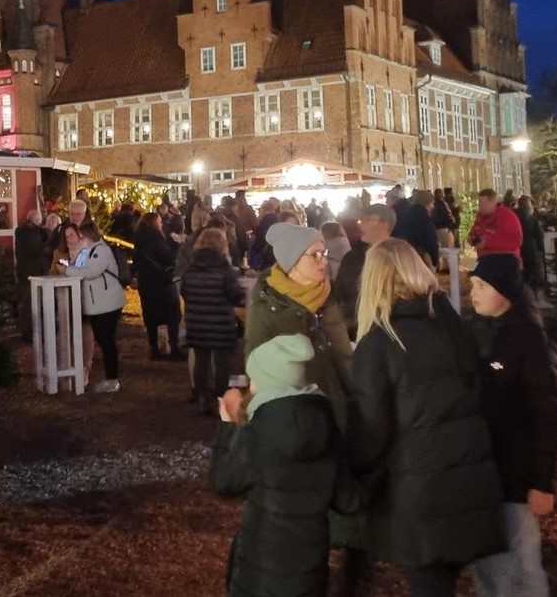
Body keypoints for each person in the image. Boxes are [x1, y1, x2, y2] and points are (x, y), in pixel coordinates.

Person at [349, 239, 505, 596]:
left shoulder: (380, 342)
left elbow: (371, 429)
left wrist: (353, 473)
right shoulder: (452, 325)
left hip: (419, 486)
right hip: (470, 474)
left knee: (430, 583)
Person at [242, 222, 368, 593]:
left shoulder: (327, 298)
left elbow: (344, 356)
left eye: (324, 254)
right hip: (298, 419)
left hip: (338, 409)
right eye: (315, 255)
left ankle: (349, 573)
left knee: (348, 506)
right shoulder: (269, 306)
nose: (323, 262)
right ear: (292, 262)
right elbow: (255, 363)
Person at [212, 334, 366, 597]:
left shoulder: (257, 432)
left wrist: (228, 427)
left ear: (270, 383)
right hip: (309, 569)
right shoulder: (326, 425)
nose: (252, 385)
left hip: (260, 569)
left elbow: (224, 482)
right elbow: (347, 500)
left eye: (255, 379)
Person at [466, 254, 557, 597]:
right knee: (489, 560)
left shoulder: (529, 341)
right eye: (472, 285)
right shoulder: (481, 332)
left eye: (482, 285)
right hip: (487, 472)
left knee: (521, 561)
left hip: (517, 475)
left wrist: (544, 482)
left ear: (506, 291)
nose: (473, 293)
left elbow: (551, 414)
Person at [180, 227, 245, 415]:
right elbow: (235, 296)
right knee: (222, 363)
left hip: (197, 321)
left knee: (201, 361)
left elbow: (185, 292)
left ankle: (202, 396)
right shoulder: (224, 269)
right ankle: (219, 398)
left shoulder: (190, 268)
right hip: (220, 323)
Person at [65, 220, 127, 393]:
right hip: (99, 302)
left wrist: (67, 271)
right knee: (104, 339)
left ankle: (112, 378)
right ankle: (111, 376)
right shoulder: (90, 251)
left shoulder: (100, 251)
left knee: (106, 340)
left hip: (106, 303)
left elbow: (91, 272)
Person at [333, 204, 395, 339]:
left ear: (384, 223)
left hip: (392, 329)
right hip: (357, 329)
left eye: (365, 220)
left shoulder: (400, 256)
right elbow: (339, 292)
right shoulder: (352, 257)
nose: (360, 226)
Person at [132, 211, 183, 360]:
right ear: (155, 223)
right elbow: (168, 259)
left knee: (151, 317)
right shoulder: (157, 240)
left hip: (146, 284)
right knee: (173, 315)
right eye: (159, 221)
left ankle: (154, 349)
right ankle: (174, 348)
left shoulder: (139, 240)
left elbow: (137, 263)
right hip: (162, 283)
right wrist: (176, 245)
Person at [13, 207, 51, 342]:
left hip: (23, 270)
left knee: (26, 301)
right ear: (36, 219)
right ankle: (31, 333)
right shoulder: (33, 233)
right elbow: (39, 251)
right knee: (31, 303)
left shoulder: (20, 232)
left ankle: (27, 331)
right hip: (34, 271)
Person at [469, 188, 523, 259]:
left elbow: (516, 240)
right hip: (483, 258)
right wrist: (471, 238)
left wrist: (487, 243)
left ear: (493, 202)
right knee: (474, 269)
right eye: (479, 202)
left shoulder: (507, 216)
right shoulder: (480, 216)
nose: (480, 206)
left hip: (504, 259)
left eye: (483, 203)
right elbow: (475, 231)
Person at [392, 190, 441, 269]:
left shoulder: (405, 215)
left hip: (404, 257)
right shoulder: (425, 219)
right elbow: (431, 241)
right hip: (421, 257)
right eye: (432, 203)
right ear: (427, 203)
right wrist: (435, 260)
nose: (433, 206)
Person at [516, 196, 547, 287]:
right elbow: (539, 235)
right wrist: (541, 248)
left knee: (522, 274)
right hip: (531, 249)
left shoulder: (514, 217)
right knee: (533, 274)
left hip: (518, 249)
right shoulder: (531, 218)